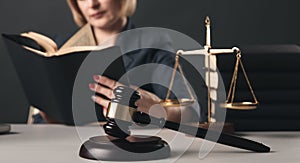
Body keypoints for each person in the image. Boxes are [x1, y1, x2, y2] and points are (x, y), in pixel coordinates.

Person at [34, 0, 202, 124]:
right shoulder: (60, 47)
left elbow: (191, 113)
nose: (92, 4)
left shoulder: (153, 45)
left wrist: (156, 108)